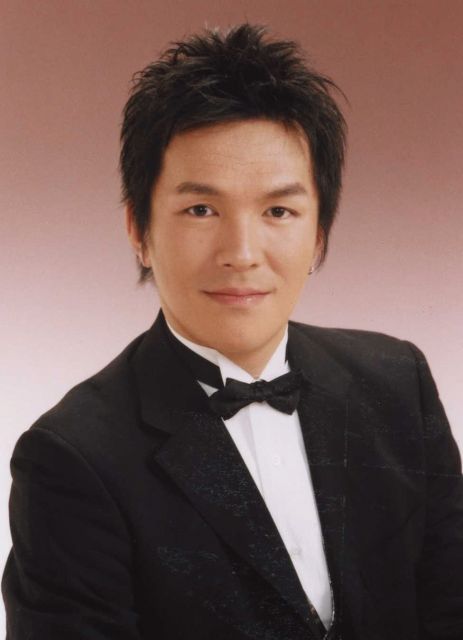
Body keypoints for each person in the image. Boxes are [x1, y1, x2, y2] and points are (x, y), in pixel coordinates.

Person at [2, 22, 462, 640]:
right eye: (201, 209)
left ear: (319, 234)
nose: (241, 253)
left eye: (279, 210)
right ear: (138, 229)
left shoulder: (398, 382)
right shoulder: (71, 458)